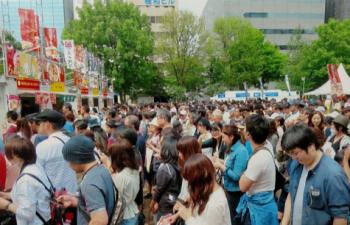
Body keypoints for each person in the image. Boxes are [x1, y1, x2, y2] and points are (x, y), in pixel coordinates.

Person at [281, 125, 350, 225]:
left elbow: (340, 217)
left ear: (311, 145)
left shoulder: (333, 175)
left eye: (296, 153)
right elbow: (291, 194)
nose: (294, 157)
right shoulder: (296, 165)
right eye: (290, 154)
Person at [59, 135, 115, 225]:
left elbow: (100, 220)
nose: (69, 165)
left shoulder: (90, 183)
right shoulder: (101, 169)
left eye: (69, 161)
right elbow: (99, 203)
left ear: (77, 159)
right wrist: (76, 201)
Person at [0, 136, 51, 225]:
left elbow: (27, 213)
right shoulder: (35, 167)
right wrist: (5, 195)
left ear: (16, 156)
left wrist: (6, 205)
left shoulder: (26, 180)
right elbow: (29, 196)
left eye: (8, 155)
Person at [237, 114, 278, 225]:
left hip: (259, 210)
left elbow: (242, 186)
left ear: (248, 134)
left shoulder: (258, 158)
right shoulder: (267, 144)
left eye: (244, 127)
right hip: (266, 204)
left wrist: (243, 174)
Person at [174, 154, 231, 225]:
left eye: (192, 182)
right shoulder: (209, 192)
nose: (191, 186)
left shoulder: (215, 204)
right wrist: (181, 212)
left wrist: (188, 218)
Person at [213, 125, 249, 225]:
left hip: (236, 192)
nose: (223, 140)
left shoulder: (241, 151)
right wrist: (220, 161)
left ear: (231, 137)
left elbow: (236, 176)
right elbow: (231, 165)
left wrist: (221, 166)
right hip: (229, 189)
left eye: (224, 137)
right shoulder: (233, 148)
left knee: (234, 219)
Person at [35, 109, 77, 193]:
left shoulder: (43, 147)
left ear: (47, 124)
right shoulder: (71, 141)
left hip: (55, 198)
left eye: (39, 123)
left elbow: (38, 175)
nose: (37, 126)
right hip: (73, 195)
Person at [150, 135, 182, 222]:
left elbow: (159, 189)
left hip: (165, 205)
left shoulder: (165, 168)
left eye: (161, 147)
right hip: (174, 201)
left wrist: (152, 203)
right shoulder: (177, 164)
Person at [109, 139, 140, 225]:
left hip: (124, 217)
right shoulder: (134, 170)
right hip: (132, 210)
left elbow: (115, 200)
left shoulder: (121, 177)